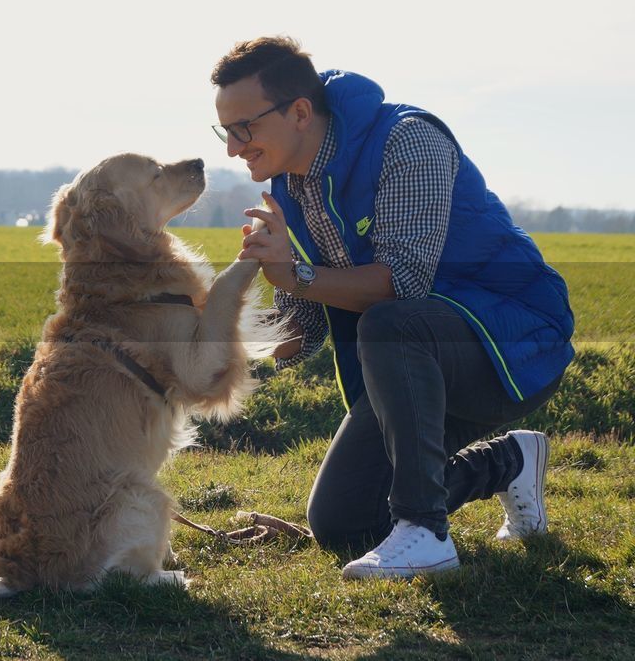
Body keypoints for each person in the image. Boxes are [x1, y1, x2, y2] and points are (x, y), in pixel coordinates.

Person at [213, 36, 574, 579]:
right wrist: (228, 325)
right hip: (415, 364)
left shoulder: (408, 141)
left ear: (301, 112)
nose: (233, 148)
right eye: (226, 130)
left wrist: (297, 273)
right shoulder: (289, 189)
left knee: (390, 322)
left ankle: (425, 531)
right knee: (341, 523)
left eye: (245, 128)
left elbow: (400, 286)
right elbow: (303, 329)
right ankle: (508, 463)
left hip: (516, 345)